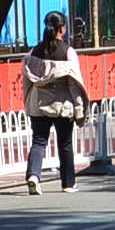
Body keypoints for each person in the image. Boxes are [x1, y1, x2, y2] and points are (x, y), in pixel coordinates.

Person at [22, 12, 89, 194]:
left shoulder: (33, 52)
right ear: (62, 29)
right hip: (62, 104)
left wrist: (28, 101)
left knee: (39, 141)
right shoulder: (68, 52)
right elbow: (74, 84)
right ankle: (68, 183)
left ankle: (33, 175)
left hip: (38, 103)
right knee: (65, 143)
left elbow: (27, 81)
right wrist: (79, 108)